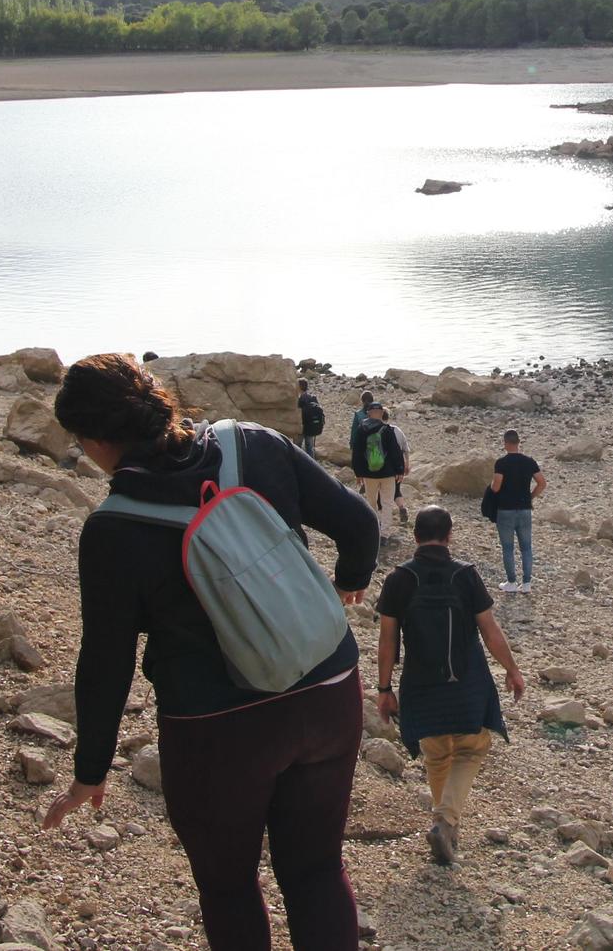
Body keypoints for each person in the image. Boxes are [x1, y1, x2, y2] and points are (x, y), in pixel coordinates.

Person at [43, 354, 379, 951]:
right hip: (328, 687)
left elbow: (106, 664)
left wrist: (89, 770)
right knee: (316, 869)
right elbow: (358, 523)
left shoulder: (113, 529)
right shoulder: (255, 444)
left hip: (218, 727)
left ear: (95, 439)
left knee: (229, 887)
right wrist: (350, 579)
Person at [375, 508, 524, 865]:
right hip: (467, 682)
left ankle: (446, 825)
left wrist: (384, 689)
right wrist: (512, 669)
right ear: (449, 536)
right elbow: (490, 630)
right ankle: (445, 820)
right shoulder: (465, 576)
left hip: (421, 685)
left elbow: (387, 640)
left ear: (415, 537)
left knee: (437, 753)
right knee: (473, 748)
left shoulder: (399, 579)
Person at [489, 430, 544, 593]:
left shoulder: (501, 463)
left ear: (505, 443)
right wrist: (530, 497)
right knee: (526, 547)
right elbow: (542, 483)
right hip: (525, 508)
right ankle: (526, 583)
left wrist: (491, 486)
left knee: (508, 547)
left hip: (506, 509)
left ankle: (511, 582)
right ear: (519, 442)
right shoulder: (529, 461)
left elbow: (496, 486)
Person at [349, 401, 404, 544]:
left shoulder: (362, 430)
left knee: (371, 502)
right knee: (387, 503)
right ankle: (384, 534)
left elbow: (357, 453)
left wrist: (358, 473)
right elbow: (395, 451)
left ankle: (374, 530)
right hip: (388, 473)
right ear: (380, 413)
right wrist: (400, 470)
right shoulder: (387, 430)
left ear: (369, 413)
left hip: (369, 473)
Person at [296, 378, 325, 456]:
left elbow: (297, 413)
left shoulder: (300, 399)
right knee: (309, 446)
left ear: (299, 387)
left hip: (302, 425)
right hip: (312, 425)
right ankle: (311, 463)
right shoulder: (312, 397)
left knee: (297, 446)